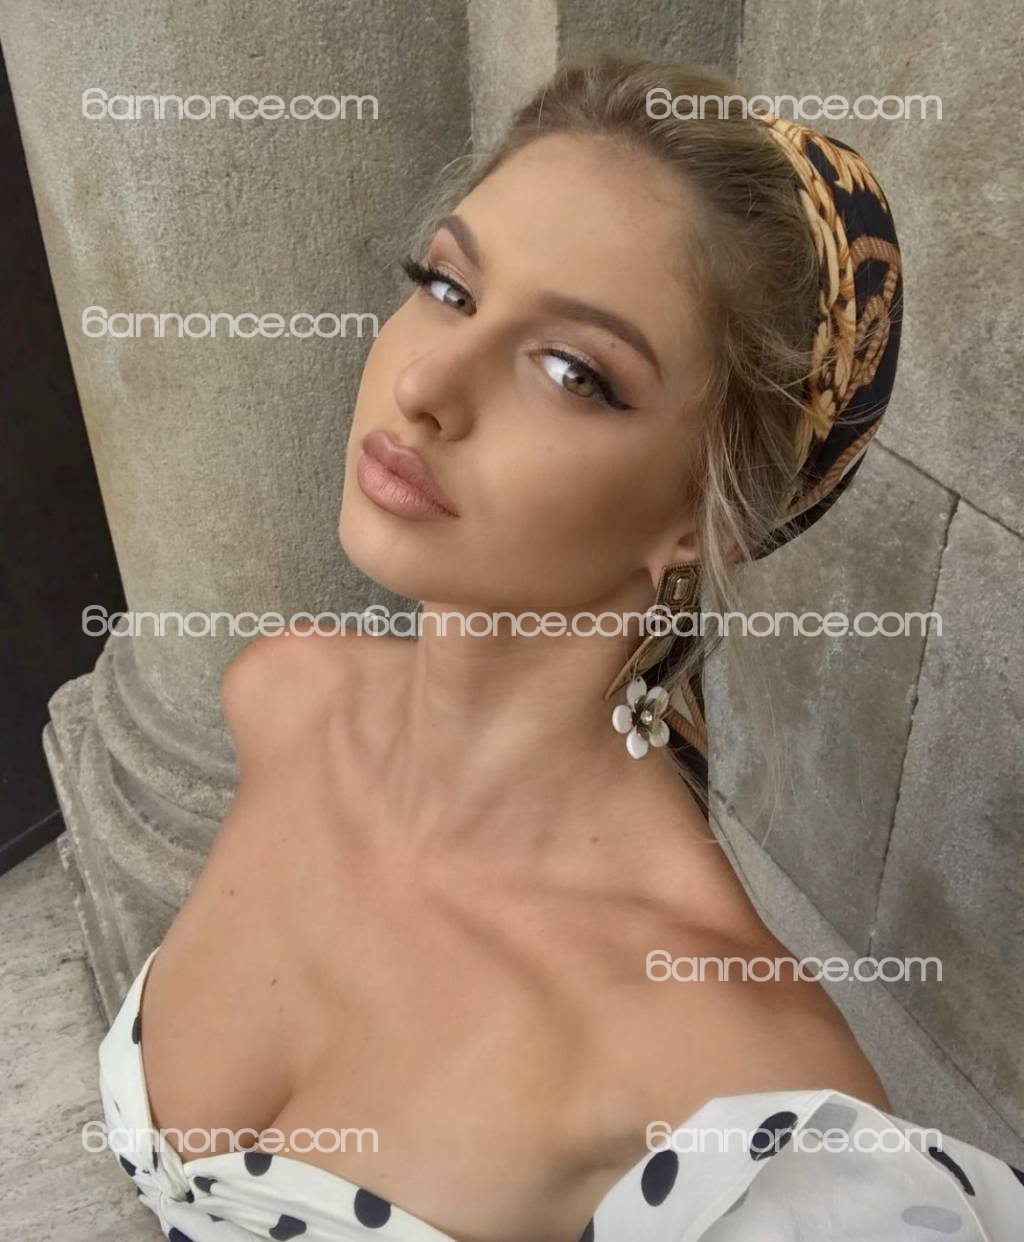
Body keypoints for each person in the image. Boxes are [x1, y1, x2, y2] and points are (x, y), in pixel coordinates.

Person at [97, 51, 1020, 1242]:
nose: (427, 384)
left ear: (700, 515)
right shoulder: (286, 695)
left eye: (574, 371)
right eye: (447, 286)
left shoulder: (729, 1091)